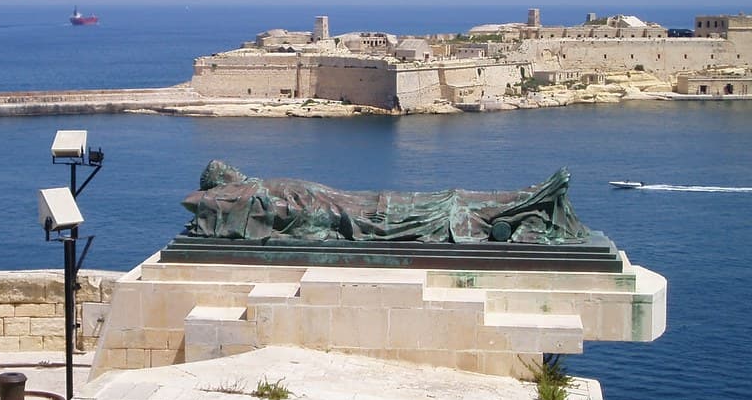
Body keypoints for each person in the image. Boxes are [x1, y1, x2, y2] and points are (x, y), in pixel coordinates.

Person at [182, 160, 589, 244]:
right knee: (439, 207)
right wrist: (218, 195)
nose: (233, 169)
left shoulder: (259, 186)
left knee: (445, 201)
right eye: (225, 172)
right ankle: (524, 203)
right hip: (356, 215)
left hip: (353, 202)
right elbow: (193, 201)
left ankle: (524, 202)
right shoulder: (246, 194)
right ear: (223, 187)